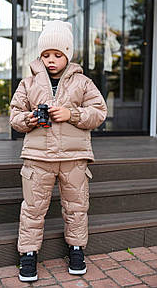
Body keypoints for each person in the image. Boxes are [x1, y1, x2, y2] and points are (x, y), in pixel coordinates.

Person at [10, 20, 107, 282]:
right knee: (32, 208)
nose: (51, 60)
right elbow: (14, 116)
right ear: (40, 56)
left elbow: (99, 112)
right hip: (38, 159)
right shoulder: (28, 84)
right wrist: (28, 119)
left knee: (76, 207)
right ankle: (28, 254)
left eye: (57, 55)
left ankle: (77, 250)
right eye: (46, 55)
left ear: (67, 55)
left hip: (73, 158)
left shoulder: (83, 83)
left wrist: (71, 113)